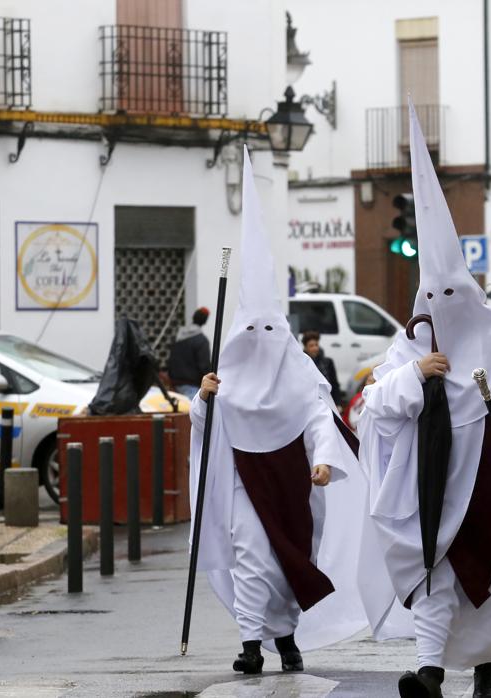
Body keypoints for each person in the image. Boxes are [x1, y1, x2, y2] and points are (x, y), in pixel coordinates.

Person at [357, 105, 491, 698]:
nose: (443, 305)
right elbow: (375, 405)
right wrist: (417, 374)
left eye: (452, 292)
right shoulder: (412, 342)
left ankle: (487, 672)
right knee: (436, 572)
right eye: (432, 295)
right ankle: (428, 672)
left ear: (467, 291)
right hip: (433, 481)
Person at [188, 148, 371, 675]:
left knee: (292, 559)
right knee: (251, 555)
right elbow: (204, 429)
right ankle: (250, 643)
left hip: (295, 482)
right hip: (246, 480)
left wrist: (323, 460)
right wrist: (203, 397)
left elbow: (319, 416)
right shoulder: (224, 380)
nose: (263, 342)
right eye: (254, 331)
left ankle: (286, 635)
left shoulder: (300, 373)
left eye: (272, 331)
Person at [168, 307, 211, 399]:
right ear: (205, 321)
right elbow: (204, 367)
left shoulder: (178, 336)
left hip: (175, 386)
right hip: (192, 387)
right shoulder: (201, 340)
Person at [301, 330, 345, 407]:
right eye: (311, 346)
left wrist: (338, 404)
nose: (315, 348)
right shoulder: (302, 363)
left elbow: (334, 384)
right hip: (309, 403)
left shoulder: (328, 362)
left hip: (327, 402)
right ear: (305, 347)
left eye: (316, 345)